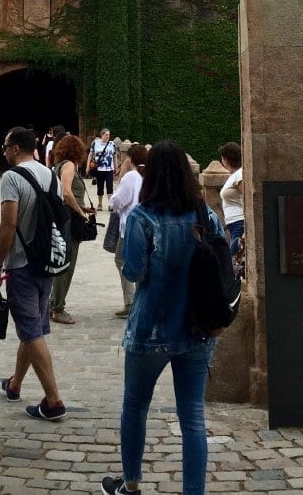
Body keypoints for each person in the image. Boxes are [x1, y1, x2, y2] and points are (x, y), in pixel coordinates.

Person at [102, 140, 222, 495]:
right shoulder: (204, 214)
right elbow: (220, 259)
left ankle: (132, 482)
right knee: (193, 417)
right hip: (198, 326)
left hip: (151, 328)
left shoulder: (143, 216)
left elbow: (135, 272)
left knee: (135, 407)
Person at [0, 126, 68, 421]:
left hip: (21, 265)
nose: (3, 151)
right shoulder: (52, 175)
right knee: (32, 327)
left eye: (6, 146)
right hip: (48, 262)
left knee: (32, 332)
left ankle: (54, 401)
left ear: (16, 148)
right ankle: (15, 383)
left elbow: (8, 225)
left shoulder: (12, 177)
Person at [48, 134, 95, 325]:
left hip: (66, 216)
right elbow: (66, 192)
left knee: (62, 260)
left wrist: (82, 207)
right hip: (69, 219)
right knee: (67, 263)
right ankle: (57, 308)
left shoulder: (59, 165)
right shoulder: (68, 166)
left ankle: (52, 304)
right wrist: (80, 212)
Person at [109, 142, 148, 319]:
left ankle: (131, 300)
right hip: (146, 225)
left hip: (131, 226)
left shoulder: (131, 176)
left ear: (130, 158)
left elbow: (119, 201)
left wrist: (112, 202)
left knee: (121, 260)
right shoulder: (147, 175)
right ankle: (140, 299)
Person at [218, 142, 245, 259]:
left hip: (240, 221)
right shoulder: (234, 175)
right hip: (234, 223)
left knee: (233, 258)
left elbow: (246, 196)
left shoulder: (239, 175)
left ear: (227, 159)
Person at [89, 128, 117, 210]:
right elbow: (90, 155)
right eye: (106, 134)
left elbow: (114, 156)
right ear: (102, 135)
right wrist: (88, 166)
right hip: (99, 169)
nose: (108, 136)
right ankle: (100, 203)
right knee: (100, 187)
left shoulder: (112, 144)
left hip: (109, 169)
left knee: (110, 186)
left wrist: (115, 166)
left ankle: (110, 204)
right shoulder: (95, 143)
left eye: (109, 134)